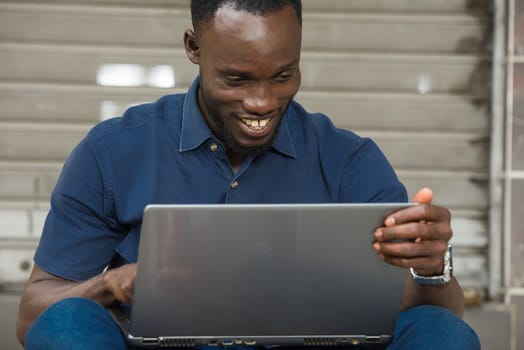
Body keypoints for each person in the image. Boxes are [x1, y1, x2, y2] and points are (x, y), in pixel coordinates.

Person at [16, 0, 480, 349]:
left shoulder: (349, 160)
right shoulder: (112, 152)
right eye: (237, 79)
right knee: (64, 323)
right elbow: (33, 315)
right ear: (193, 48)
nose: (261, 102)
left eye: (283, 76)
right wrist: (109, 284)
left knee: (442, 332)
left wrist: (430, 266)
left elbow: (436, 319)